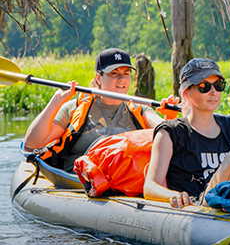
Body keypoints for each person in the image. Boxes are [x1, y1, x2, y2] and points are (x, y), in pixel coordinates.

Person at [23, 48, 174, 172]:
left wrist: (169, 119)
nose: (121, 79)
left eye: (126, 74)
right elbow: (32, 143)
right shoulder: (75, 108)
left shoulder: (141, 110)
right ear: (98, 78)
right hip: (77, 182)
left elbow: (168, 135)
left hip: (122, 181)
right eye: (114, 73)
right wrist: (56, 101)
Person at [143, 58, 230, 209]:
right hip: (199, 203)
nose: (213, 92)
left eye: (218, 85)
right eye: (203, 86)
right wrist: (173, 195)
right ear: (187, 93)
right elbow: (150, 186)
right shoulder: (171, 132)